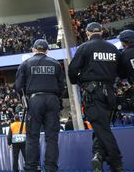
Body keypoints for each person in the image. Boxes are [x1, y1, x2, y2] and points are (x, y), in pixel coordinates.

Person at [68, 23, 123, 171]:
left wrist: (79, 82)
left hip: (93, 93)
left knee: (103, 129)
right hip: (110, 93)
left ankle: (117, 164)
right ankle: (97, 154)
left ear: (87, 33)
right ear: (102, 32)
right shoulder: (113, 49)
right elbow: (122, 72)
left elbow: (72, 70)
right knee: (102, 127)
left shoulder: (85, 47)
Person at [15, 39, 64, 172]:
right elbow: (62, 87)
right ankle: (51, 168)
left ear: (33, 50)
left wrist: (24, 97)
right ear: (47, 50)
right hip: (53, 99)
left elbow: (18, 86)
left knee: (32, 136)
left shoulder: (25, 64)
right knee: (52, 137)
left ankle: (32, 167)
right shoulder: (56, 64)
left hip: (35, 100)